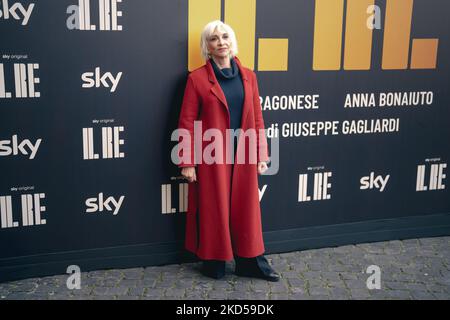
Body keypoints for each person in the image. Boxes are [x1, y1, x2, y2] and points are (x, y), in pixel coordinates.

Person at [177, 20, 280, 282]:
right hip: (211, 156)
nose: (220, 42)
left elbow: (257, 117)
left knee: (247, 210)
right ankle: (214, 261)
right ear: (207, 47)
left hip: (244, 154)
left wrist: (261, 154)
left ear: (231, 41)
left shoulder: (249, 76)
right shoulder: (197, 79)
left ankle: (250, 262)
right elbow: (186, 123)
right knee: (215, 209)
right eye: (214, 38)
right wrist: (187, 161)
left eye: (225, 37)